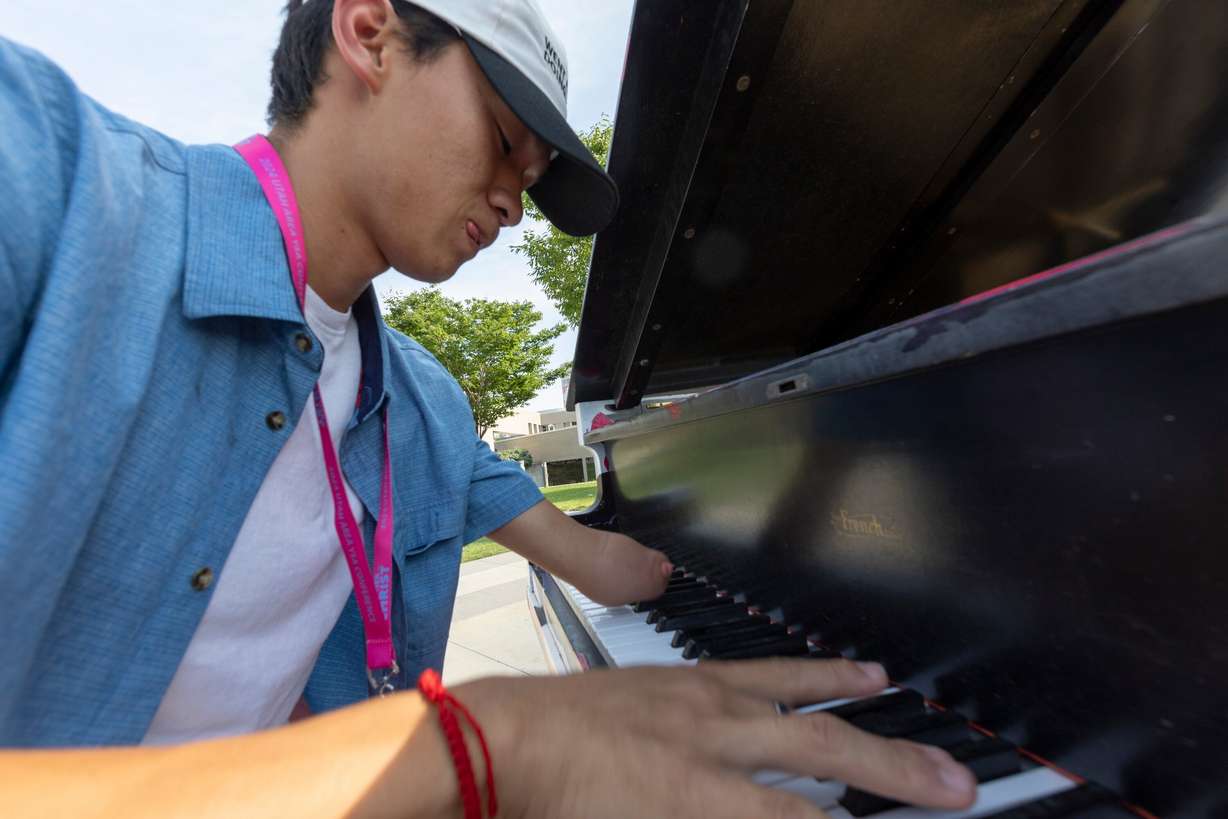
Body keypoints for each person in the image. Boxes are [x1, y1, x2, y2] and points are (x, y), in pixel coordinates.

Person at [0, 0, 978, 815]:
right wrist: (483, 741)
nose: (514, 204)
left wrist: (810, 567)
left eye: (535, 182)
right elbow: (484, 744)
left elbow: (608, 562)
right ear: (370, 31)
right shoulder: (46, 175)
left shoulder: (422, 404)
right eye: (508, 140)